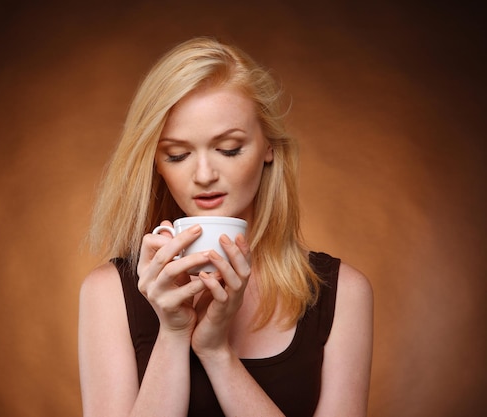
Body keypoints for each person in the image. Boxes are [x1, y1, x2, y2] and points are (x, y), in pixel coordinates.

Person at [78, 37, 373, 417]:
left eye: (229, 149)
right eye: (178, 154)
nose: (204, 175)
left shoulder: (342, 293)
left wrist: (218, 354)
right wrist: (173, 334)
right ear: (156, 162)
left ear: (269, 147)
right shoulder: (107, 293)